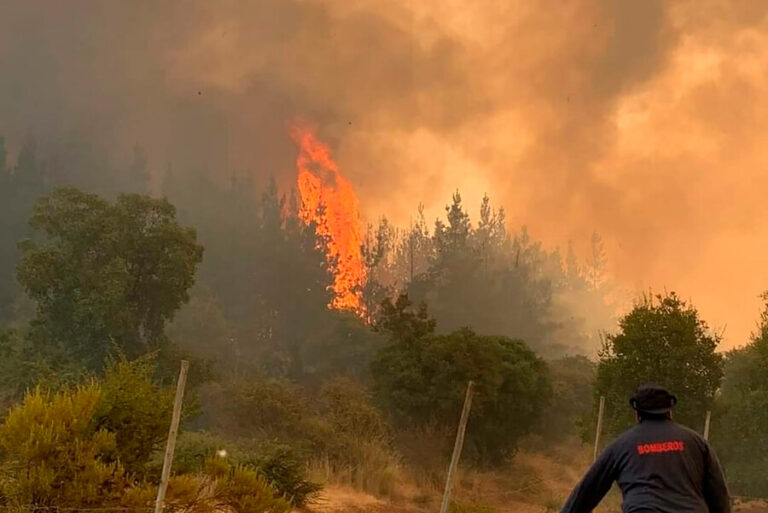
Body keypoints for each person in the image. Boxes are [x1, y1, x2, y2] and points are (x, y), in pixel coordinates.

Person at [560, 384, 730, 513]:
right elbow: (718, 493)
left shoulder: (621, 445)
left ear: (637, 414)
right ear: (669, 412)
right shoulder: (697, 442)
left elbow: (587, 491)